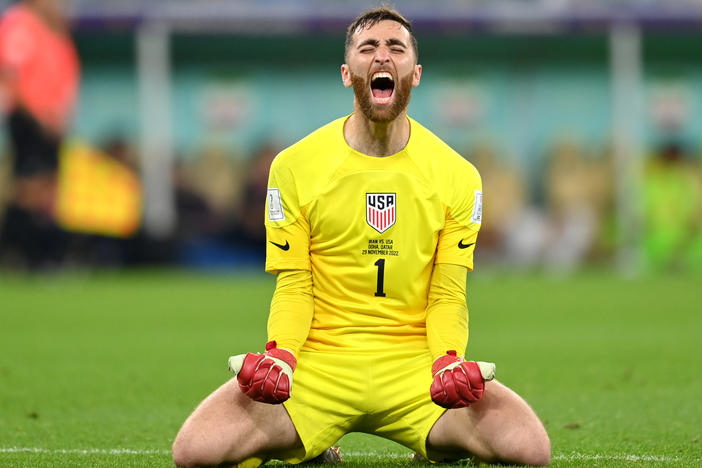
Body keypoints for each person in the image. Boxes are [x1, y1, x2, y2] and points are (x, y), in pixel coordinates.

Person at [173, 7, 550, 467]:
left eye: (396, 48)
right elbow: (294, 287)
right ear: (347, 73)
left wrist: (449, 360)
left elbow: (447, 293)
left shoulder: (459, 176)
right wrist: (282, 355)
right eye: (368, 48)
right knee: (194, 453)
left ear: (417, 71)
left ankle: (430, 442)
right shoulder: (293, 167)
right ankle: (315, 441)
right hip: (319, 366)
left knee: (529, 449)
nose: (382, 57)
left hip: (414, 366)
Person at [0, 0, 79, 269]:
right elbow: (10, 74)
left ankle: (42, 256)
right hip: (28, 118)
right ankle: (16, 253)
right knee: (29, 187)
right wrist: (38, 115)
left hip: (52, 122)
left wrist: (60, 116)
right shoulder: (19, 23)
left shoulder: (55, 29)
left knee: (49, 189)